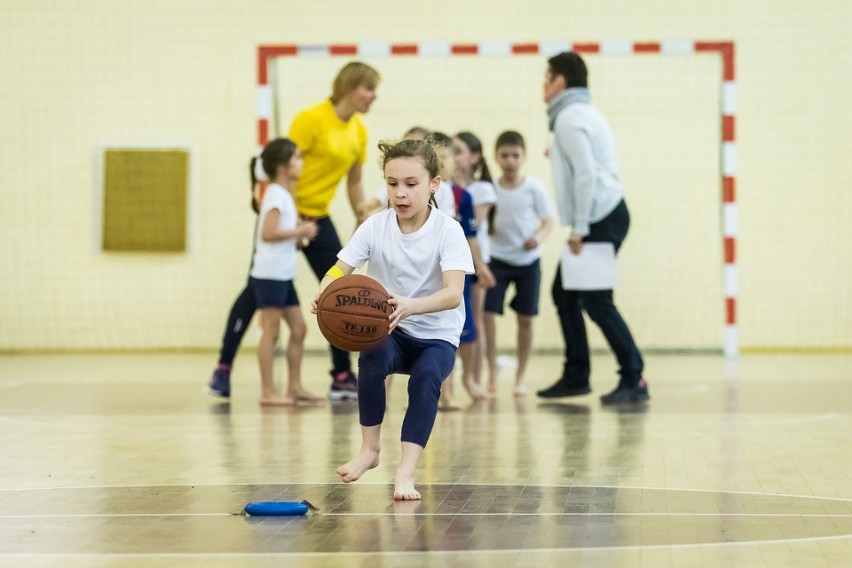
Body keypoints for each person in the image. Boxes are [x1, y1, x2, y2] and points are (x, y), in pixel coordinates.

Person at [311, 138, 473, 500]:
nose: (400, 193)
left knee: (427, 378)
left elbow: (453, 294)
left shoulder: (449, 231)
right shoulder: (374, 226)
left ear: (434, 184)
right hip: (392, 328)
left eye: (411, 184)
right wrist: (325, 291)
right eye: (392, 183)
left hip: (436, 334)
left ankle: (406, 472)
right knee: (371, 357)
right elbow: (338, 271)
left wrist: (410, 305)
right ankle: (370, 450)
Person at [536, 51, 649, 404]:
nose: (543, 85)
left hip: (600, 218)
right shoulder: (582, 113)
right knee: (566, 295)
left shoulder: (569, 117)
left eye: (546, 77)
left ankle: (633, 377)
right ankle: (576, 375)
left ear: (560, 82)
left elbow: (586, 173)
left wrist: (580, 227)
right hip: (607, 213)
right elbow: (587, 165)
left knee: (596, 300)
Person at [289, 61, 380, 400]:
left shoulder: (358, 131)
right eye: (368, 88)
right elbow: (285, 169)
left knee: (339, 289)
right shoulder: (311, 119)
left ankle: (341, 374)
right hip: (290, 213)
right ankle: (223, 368)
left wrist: (362, 214)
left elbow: (354, 180)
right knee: (261, 289)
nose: (373, 96)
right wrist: (289, 223)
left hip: (319, 219)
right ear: (348, 87)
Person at [483, 130, 555, 396]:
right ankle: (491, 369)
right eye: (505, 155)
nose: (510, 161)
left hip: (527, 262)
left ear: (523, 157)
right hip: (497, 260)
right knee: (487, 315)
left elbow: (548, 221)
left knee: (526, 318)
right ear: (496, 157)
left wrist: (538, 237)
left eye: (515, 155)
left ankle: (521, 376)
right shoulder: (491, 189)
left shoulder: (534, 187)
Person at [251, 138, 320, 406]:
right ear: (283, 166)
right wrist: (299, 231)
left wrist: (299, 235)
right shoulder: (276, 195)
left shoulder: (283, 193)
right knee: (271, 331)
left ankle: (294, 386)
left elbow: (279, 232)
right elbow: (268, 233)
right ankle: (268, 392)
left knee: (299, 329)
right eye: (297, 158)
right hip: (270, 274)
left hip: (283, 273)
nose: (301, 164)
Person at [207, 157, 268, 399]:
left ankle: (339, 374)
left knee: (297, 326)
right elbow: (260, 203)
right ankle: (226, 369)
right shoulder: (272, 191)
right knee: (253, 299)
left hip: (282, 265)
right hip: (268, 265)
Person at [452, 132, 497, 395]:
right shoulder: (443, 186)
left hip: (476, 259)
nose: (455, 157)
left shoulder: (481, 189)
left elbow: (474, 225)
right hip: (455, 260)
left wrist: (459, 193)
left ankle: (475, 378)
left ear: (474, 157)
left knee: (474, 319)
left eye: (459, 151)